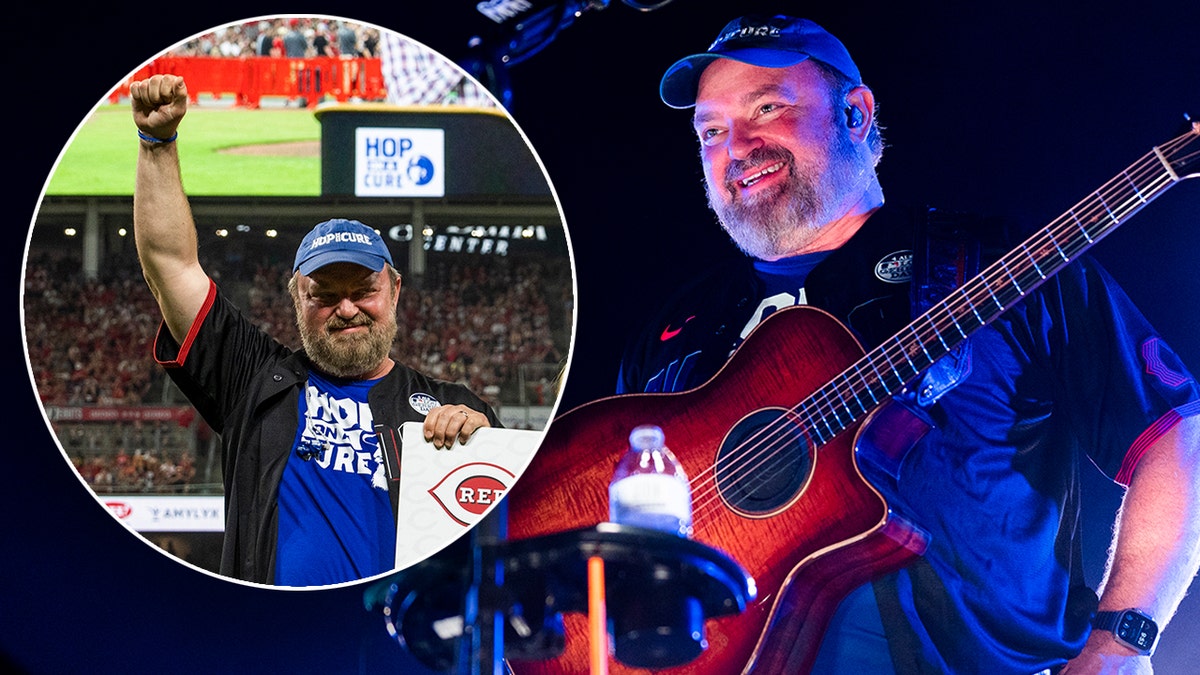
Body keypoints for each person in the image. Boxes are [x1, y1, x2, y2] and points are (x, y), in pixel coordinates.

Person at [613, 15, 1200, 674]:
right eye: (711, 132)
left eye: (768, 107)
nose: (737, 146)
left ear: (857, 113)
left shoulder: (990, 261)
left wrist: (1120, 642)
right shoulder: (674, 332)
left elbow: (1175, 436)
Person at [129, 73, 501, 588]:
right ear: (296, 299)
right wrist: (157, 143)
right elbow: (171, 265)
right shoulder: (252, 378)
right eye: (324, 293)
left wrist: (483, 450)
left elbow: (503, 534)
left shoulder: (452, 405)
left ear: (395, 290)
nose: (346, 308)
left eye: (363, 289)